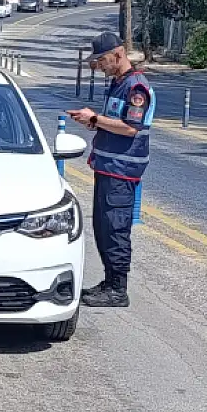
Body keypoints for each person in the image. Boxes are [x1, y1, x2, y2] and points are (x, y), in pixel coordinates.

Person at [66, 30, 152, 308]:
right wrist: (92, 121)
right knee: (102, 227)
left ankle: (118, 288)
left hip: (122, 170)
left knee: (115, 228)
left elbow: (130, 127)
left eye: (102, 60)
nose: (99, 66)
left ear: (118, 54)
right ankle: (108, 282)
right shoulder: (118, 83)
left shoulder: (136, 88)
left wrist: (96, 118)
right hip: (108, 167)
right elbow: (111, 122)